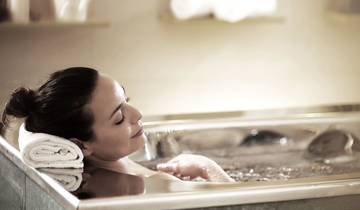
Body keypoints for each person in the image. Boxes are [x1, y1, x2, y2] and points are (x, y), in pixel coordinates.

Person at [1, 67, 234, 182]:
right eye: (119, 118)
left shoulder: (123, 168)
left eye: (127, 101)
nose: (137, 114)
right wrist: (207, 166)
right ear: (81, 145)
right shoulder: (139, 187)